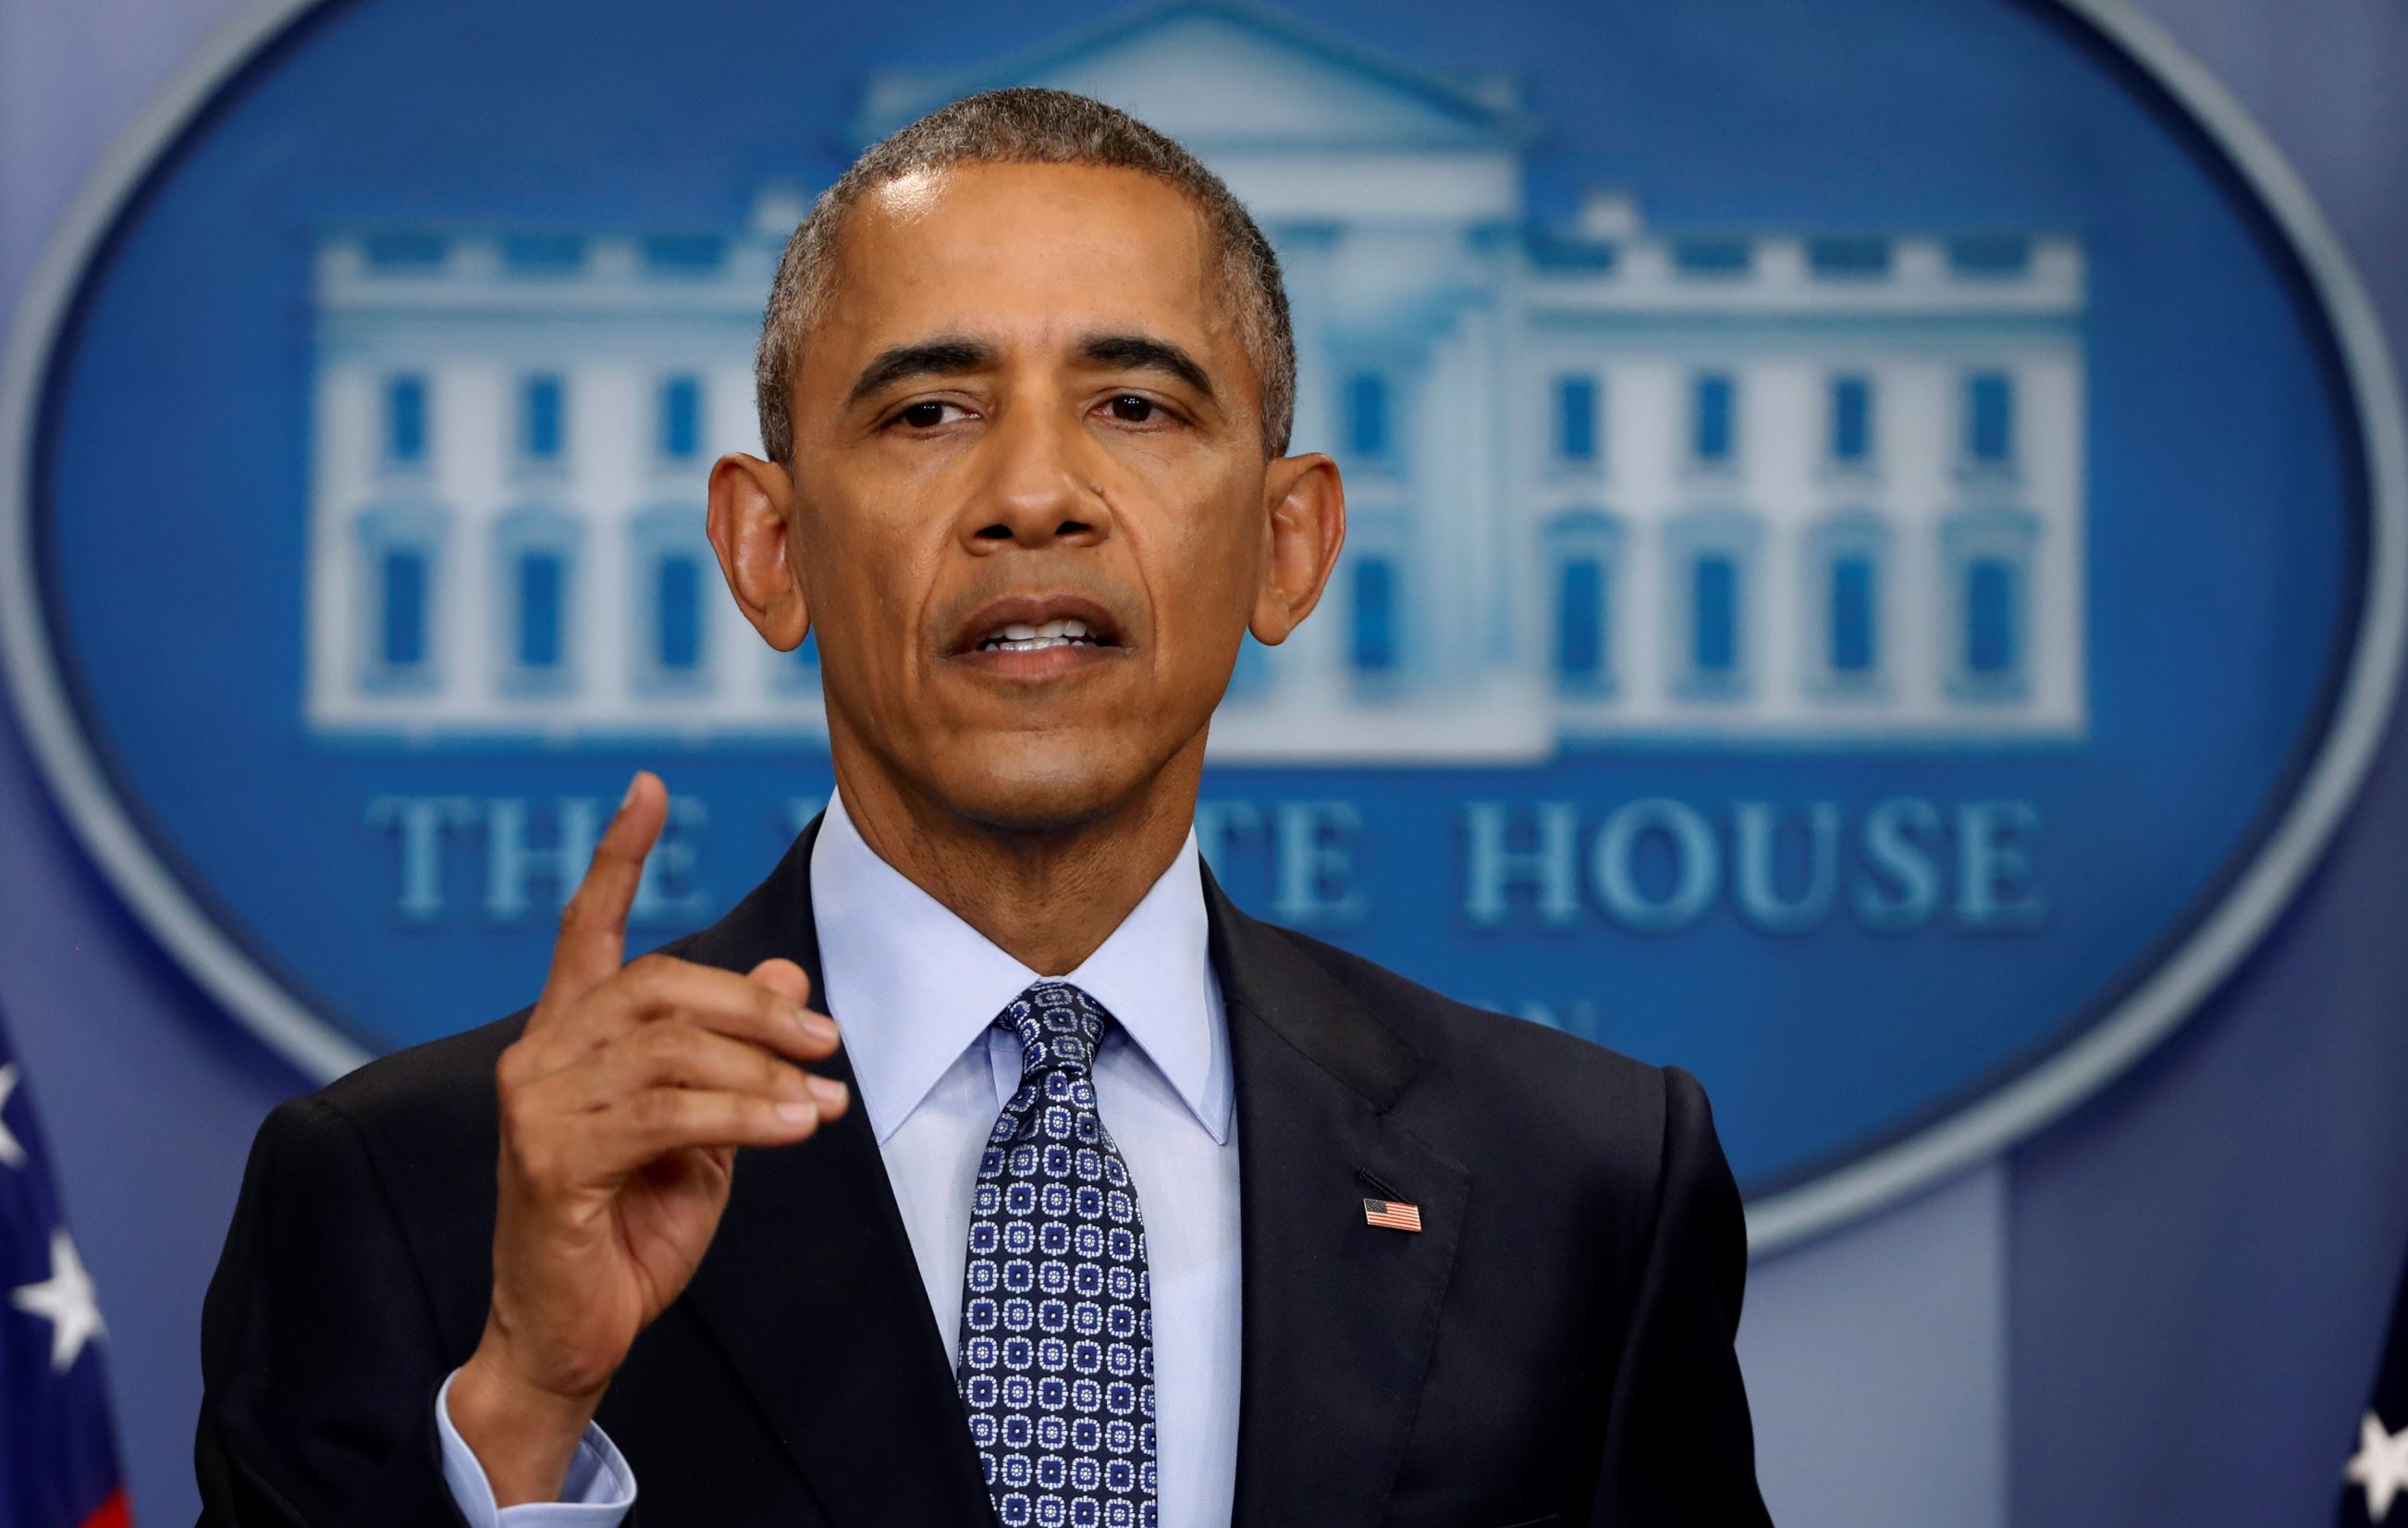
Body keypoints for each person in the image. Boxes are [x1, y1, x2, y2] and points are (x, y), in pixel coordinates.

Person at [194, 87, 1771, 1528]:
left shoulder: (1584, 1187)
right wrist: (525, 1418)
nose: (1036, 492)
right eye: (928, 411)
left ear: (1288, 547)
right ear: (770, 549)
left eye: (1138, 407)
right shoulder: (413, 1191)